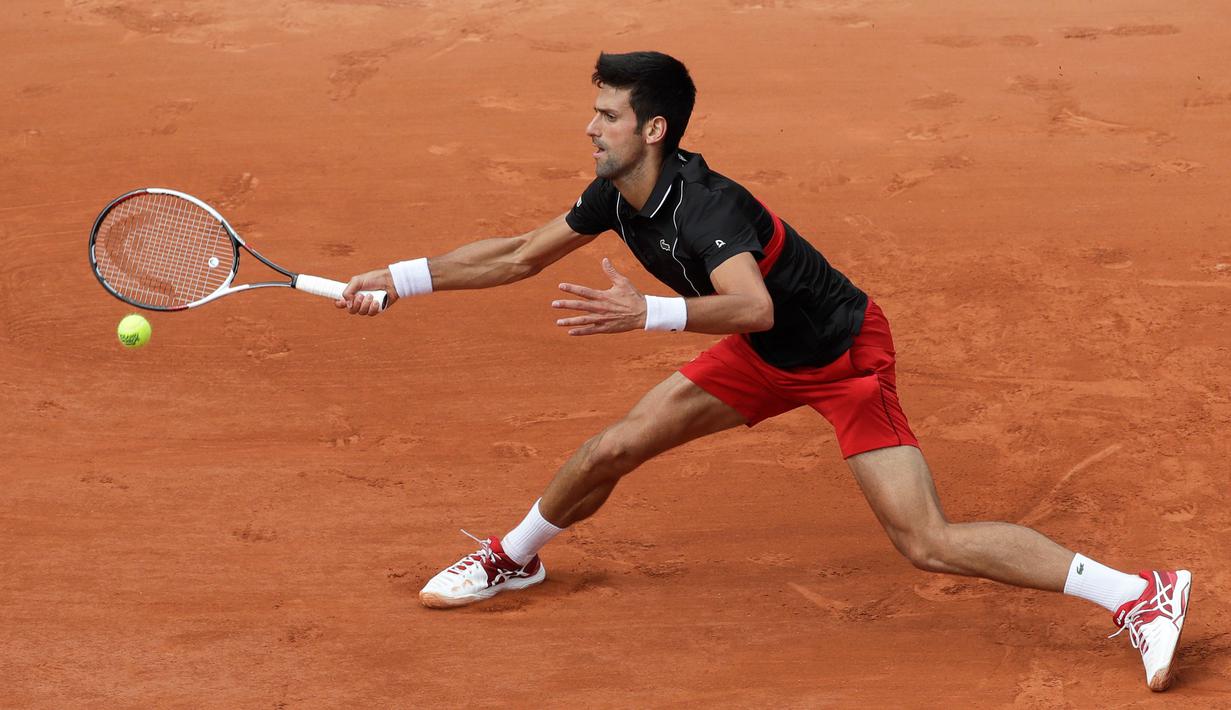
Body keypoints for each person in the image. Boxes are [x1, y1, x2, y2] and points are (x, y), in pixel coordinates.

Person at [338, 51, 1190, 692]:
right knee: (612, 448)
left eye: (606, 116)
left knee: (925, 542)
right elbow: (521, 255)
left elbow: (752, 307)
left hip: (839, 357)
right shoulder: (614, 196)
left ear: (653, 130)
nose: (590, 128)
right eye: (592, 113)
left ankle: (1139, 592)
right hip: (760, 356)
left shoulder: (708, 207)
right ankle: (513, 558)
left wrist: (647, 313)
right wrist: (400, 278)